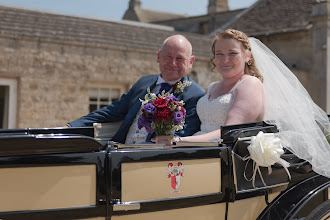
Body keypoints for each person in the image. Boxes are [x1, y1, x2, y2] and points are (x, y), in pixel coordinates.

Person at [157, 29, 330, 178]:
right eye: (219, 54)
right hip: (198, 150)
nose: (225, 60)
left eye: (232, 53)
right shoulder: (212, 87)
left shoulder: (250, 84)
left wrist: (182, 141)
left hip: (225, 159)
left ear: (247, 56)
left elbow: (230, 131)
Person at [67, 34, 205, 144]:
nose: (172, 63)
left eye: (180, 58)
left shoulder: (195, 95)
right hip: (118, 151)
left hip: (154, 161)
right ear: (158, 56)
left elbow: (179, 138)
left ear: (191, 62)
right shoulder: (143, 82)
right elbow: (112, 111)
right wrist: (72, 127)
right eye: (168, 56)